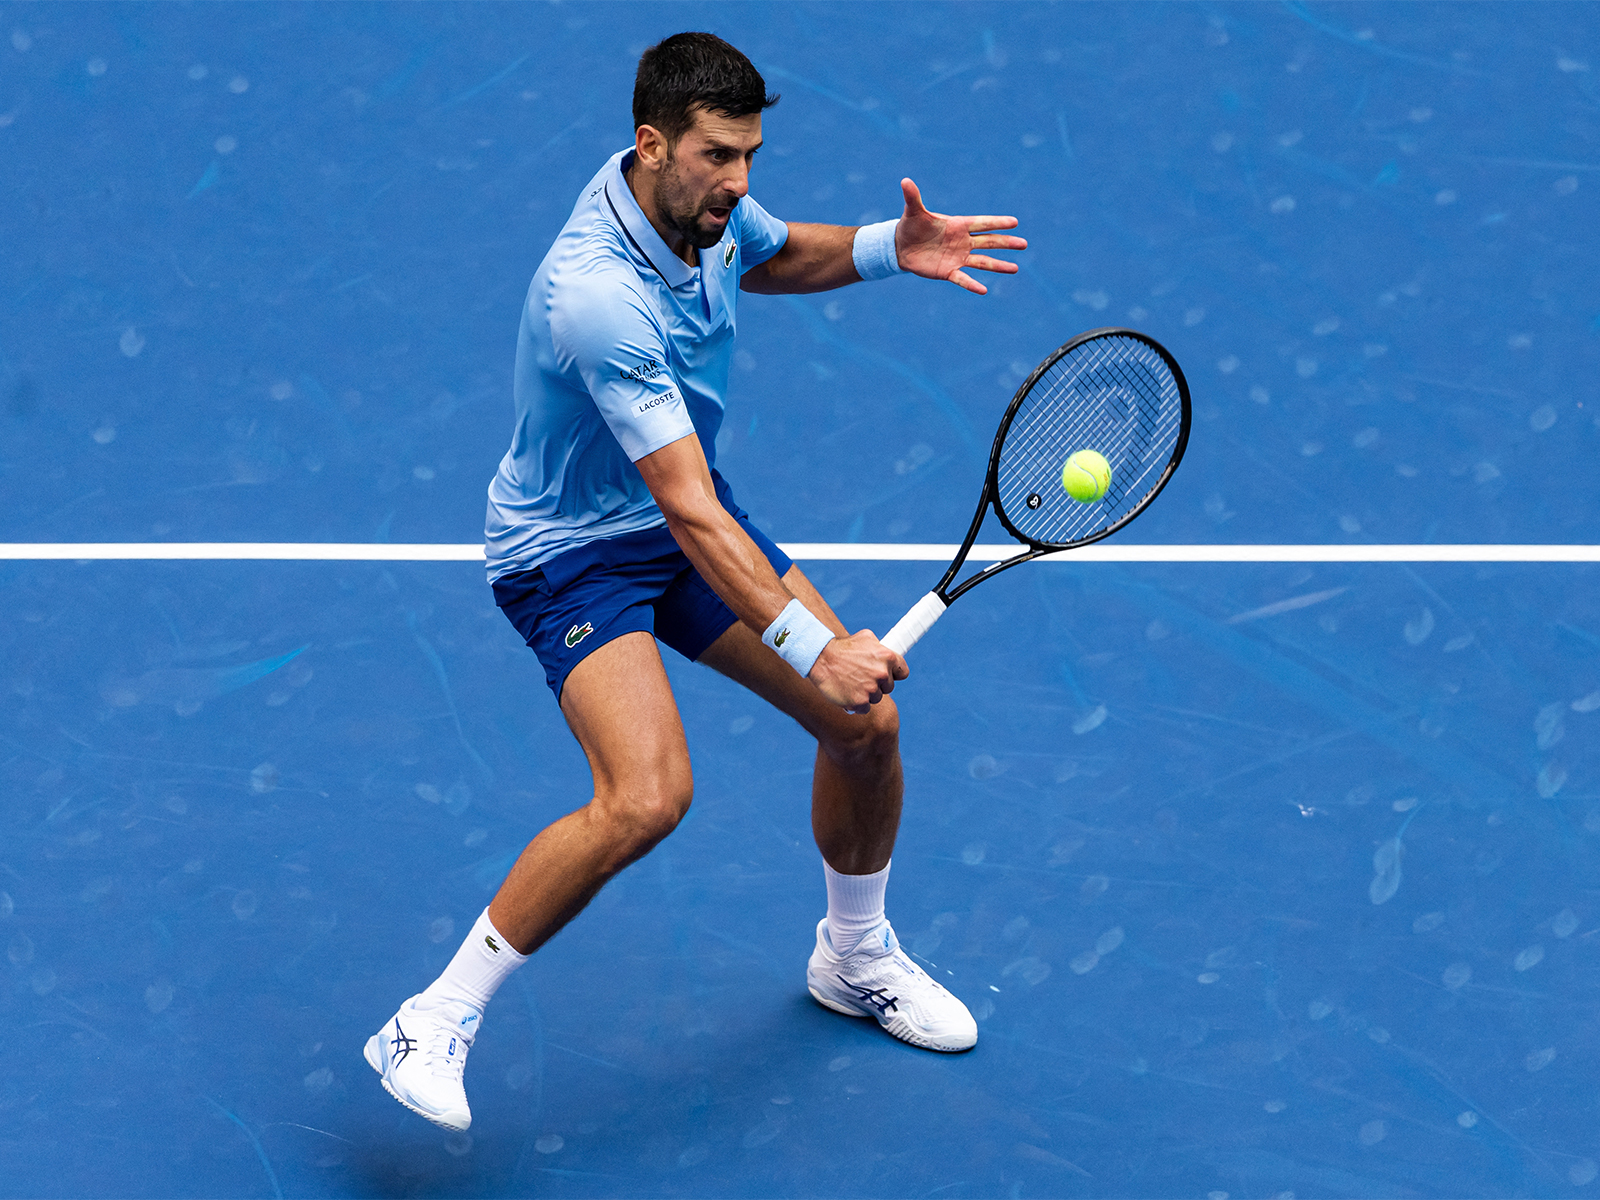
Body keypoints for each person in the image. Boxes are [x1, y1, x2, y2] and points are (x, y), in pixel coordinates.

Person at [365, 31, 1025, 1132]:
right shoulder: (596, 297)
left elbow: (767, 253)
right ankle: (431, 1017)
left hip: (679, 515)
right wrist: (818, 649)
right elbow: (688, 514)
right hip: (570, 554)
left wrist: (884, 248)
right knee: (647, 796)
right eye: (719, 155)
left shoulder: (698, 208)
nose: (739, 179)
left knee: (865, 730)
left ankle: (852, 959)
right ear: (651, 142)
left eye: (751, 153)